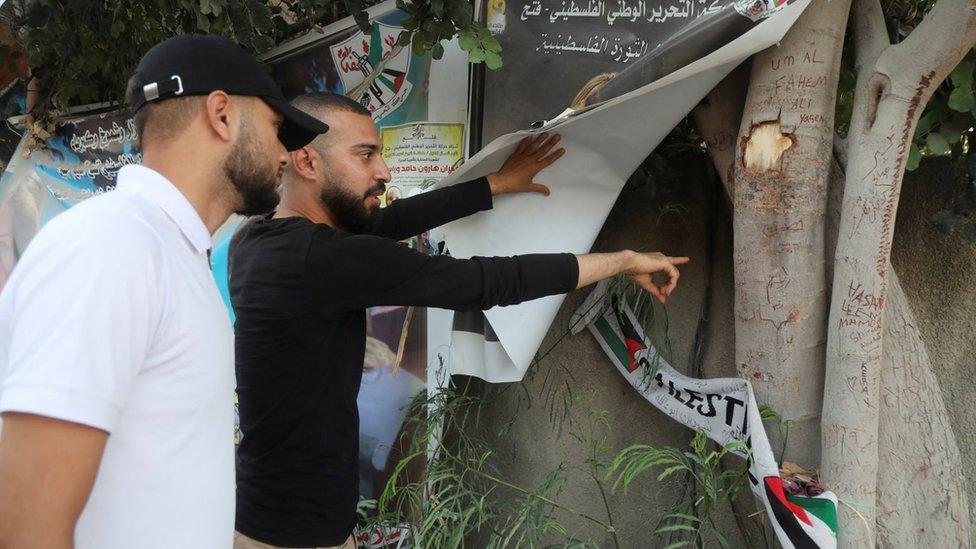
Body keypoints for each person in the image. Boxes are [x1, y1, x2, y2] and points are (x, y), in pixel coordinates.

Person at [230, 92, 689, 549]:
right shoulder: (324, 259)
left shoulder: (258, 240)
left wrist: (496, 183)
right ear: (307, 162)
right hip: (294, 536)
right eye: (366, 155)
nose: (384, 172)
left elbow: (392, 220)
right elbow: (486, 282)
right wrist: (624, 260)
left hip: (271, 513)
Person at [0, 35, 327, 549]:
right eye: (277, 128)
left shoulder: (170, 251)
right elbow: (26, 527)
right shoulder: (114, 245)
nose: (288, 152)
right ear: (222, 115)